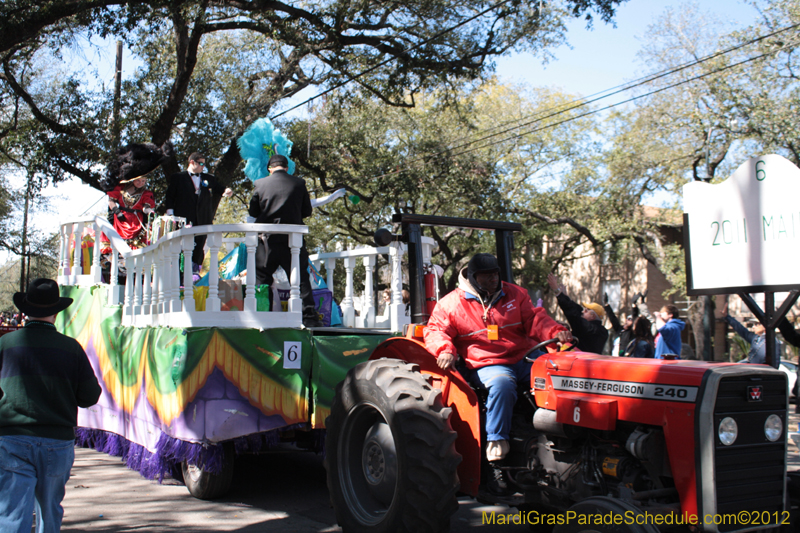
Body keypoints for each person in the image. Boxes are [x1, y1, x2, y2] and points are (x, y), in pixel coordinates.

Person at [424, 254, 572, 496]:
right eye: (487, 275)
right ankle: (497, 455)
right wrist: (445, 350)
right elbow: (437, 330)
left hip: (523, 358)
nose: (494, 279)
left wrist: (557, 331)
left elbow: (535, 320)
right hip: (486, 362)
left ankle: (563, 437)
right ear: (473, 277)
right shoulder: (451, 304)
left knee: (558, 372)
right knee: (503, 384)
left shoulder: (516, 294)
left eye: (496, 273)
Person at [0, 279, 102, 533]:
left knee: (12, 513)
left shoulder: (5, 345)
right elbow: (90, 396)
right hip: (57, 443)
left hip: (12, 440)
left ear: (25, 311)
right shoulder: (72, 349)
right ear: (56, 311)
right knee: (49, 512)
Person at [248, 154, 322, 327]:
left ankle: (261, 315)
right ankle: (308, 316)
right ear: (287, 167)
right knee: (300, 277)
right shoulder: (299, 183)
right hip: (292, 240)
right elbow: (307, 211)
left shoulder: (260, 184)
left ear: (269, 168)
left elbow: (253, 212)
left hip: (267, 241)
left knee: (262, 278)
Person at [165, 152, 233, 267]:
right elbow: (170, 196)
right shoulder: (178, 177)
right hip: (183, 218)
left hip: (202, 219)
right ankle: (180, 274)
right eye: (201, 163)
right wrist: (171, 215)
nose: (203, 166)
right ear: (192, 162)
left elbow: (219, 188)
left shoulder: (208, 178)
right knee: (182, 247)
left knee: (199, 246)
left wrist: (226, 190)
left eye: (204, 164)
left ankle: (195, 272)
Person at [547, 273, 608, 354]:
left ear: (592, 315)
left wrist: (557, 292)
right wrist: (566, 297)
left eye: (586, 310)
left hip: (582, 363)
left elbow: (574, 314)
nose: (583, 311)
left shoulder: (590, 329)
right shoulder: (602, 330)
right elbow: (577, 310)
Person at [107, 174, 155, 249]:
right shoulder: (121, 189)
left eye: (143, 181)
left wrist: (150, 212)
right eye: (138, 180)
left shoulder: (146, 193)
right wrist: (117, 212)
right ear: (132, 180)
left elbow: (145, 207)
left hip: (136, 222)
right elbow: (111, 201)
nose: (140, 183)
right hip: (120, 220)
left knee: (136, 245)